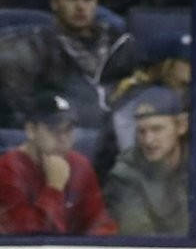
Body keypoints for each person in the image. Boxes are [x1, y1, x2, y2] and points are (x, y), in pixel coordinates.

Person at [0, 0, 139, 171]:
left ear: (96, 3)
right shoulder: (36, 46)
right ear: (55, 3)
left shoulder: (120, 43)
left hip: (117, 139)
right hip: (59, 141)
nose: (80, 7)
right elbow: (23, 109)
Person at [104, 85, 196, 235]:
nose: (148, 140)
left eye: (157, 129)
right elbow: (139, 235)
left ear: (181, 126)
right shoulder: (124, 174)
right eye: (142, 131)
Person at [0, 90, 115, 235]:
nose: (63, 139)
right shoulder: (8, 169)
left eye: (68, 130)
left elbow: (101, 225)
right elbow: (26, 238)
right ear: (31, 130)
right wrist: (54, 188)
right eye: (54, 130)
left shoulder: (79, 165)